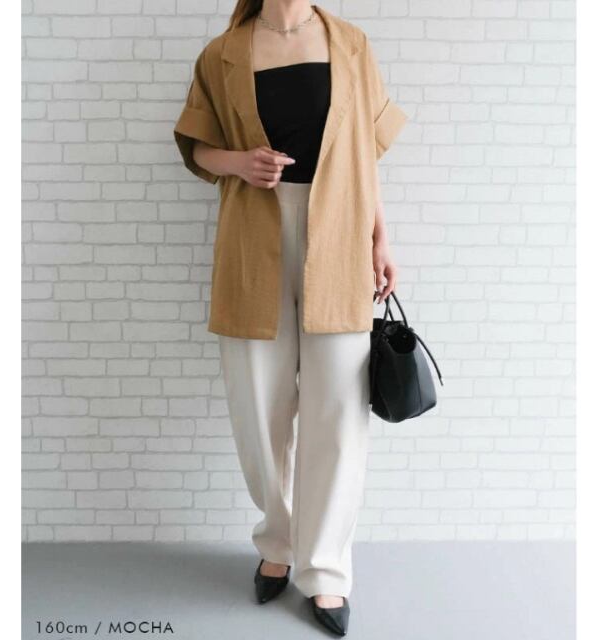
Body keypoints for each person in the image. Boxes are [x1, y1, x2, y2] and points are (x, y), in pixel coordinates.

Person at [173, 1, 408, 635]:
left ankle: (325, 570)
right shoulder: (224, 52)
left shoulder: (350, 44)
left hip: (341, 233)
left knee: (339, 410)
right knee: (259, 408)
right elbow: (197, 145)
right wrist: (240, 163)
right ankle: (276, 543)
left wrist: (381, 238)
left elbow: (363, 154)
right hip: (254, 233)